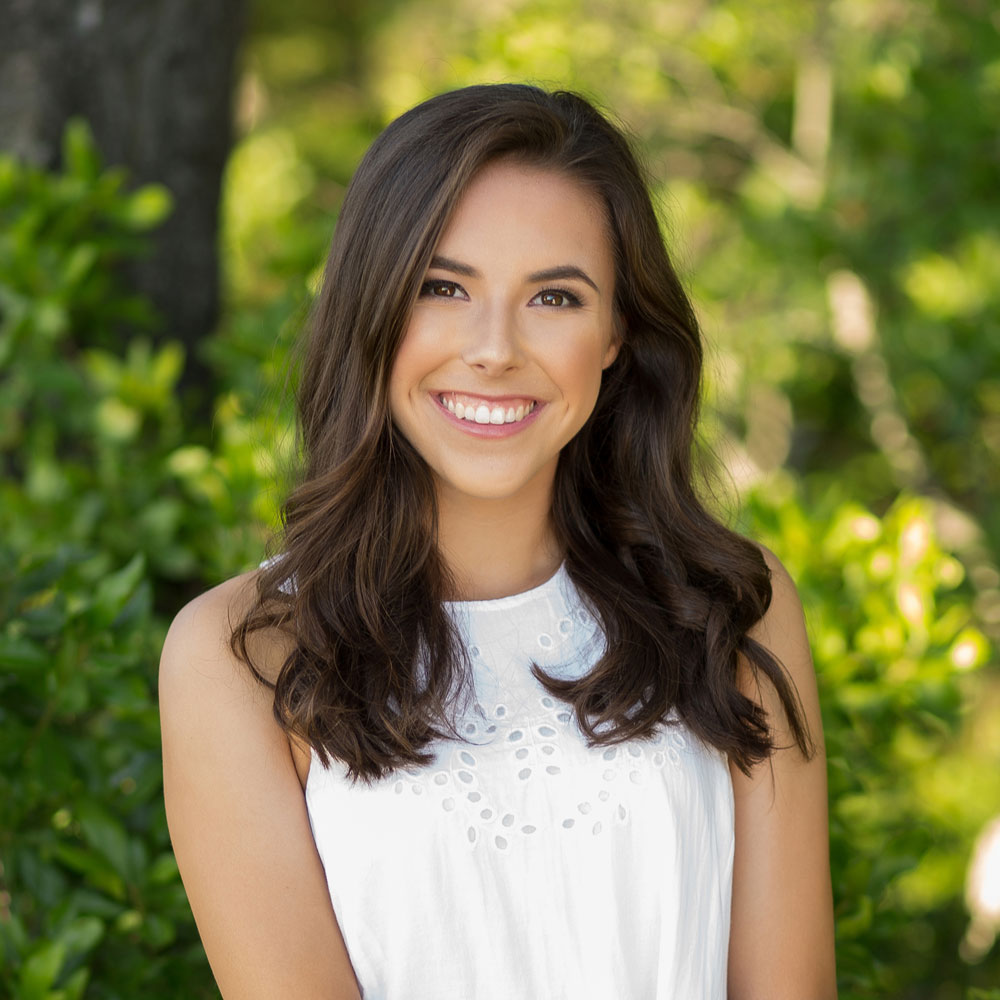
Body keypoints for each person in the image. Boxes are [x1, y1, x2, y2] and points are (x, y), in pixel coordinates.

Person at [159, 83, 837, 999]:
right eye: (443, 287)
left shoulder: (733, 606)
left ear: (615, 335)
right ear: (375, 307)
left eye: (554, 297)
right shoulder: (240, 653)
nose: (493, 349)